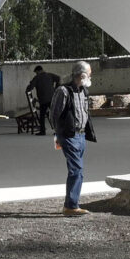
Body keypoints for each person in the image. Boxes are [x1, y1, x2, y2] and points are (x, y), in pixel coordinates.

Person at [46, 61, 93, 216]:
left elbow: (85, 112)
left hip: (81, 135)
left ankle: (71, 204)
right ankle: (71, 206)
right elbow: (54, 114)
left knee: (77, 170)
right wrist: (58, 134)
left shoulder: (83, 91)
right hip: (69, 136)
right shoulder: (63, 91)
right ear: (82, 75)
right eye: (89, 74)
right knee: (76, 170)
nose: (90, 77)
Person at [26, 65, 60, 135]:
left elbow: (30, 87)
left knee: (42, 116)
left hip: (43, 100)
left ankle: (43, 131)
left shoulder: (37, 78)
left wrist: (28, 87)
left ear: (38, 71)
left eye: (36, 72)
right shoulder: (50, 75)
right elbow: (58, 78)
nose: (36, 74)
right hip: (52, 98)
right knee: (54, 115)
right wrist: (56, 88)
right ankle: (59, 131)